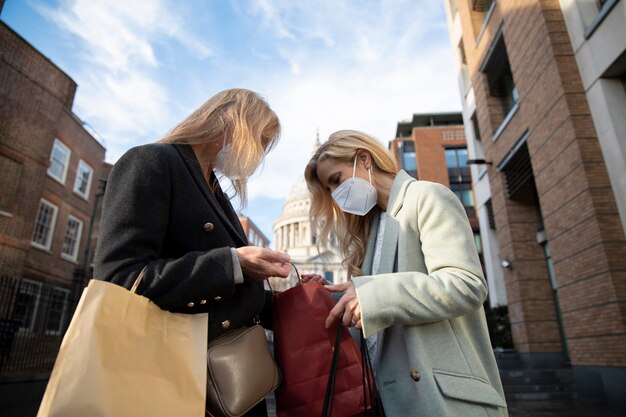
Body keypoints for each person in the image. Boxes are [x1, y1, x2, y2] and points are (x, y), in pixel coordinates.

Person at [94, 88, 291, 417]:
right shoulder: (151, 162)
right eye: (260, 140)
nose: (259, 155)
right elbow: (119, 278)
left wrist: (302, 298)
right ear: (233, 123)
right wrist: (233, 263)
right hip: (176, 380)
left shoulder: (217, 192)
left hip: (230, 382)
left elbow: (232, 296)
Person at [301, 130, 508, 417]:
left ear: (364, 159)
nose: (336, 195)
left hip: (442, 400)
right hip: (389, 400)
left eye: (336, 180)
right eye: (329, 190)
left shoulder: (428, 197)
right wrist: (332, 299)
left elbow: (466, 284)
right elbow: (379, 326)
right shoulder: (369, 233)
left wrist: (373, 295)